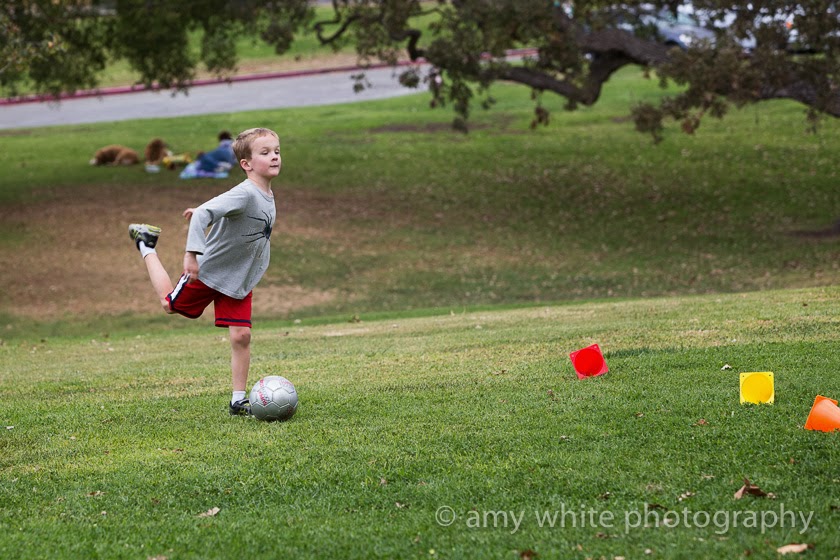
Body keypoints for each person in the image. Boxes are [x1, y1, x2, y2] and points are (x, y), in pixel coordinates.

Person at [128, 127, 281, 416]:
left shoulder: (264, 193)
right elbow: (204, 214)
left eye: (276, 151)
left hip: (239, 278)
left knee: (241, 336)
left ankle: (238, 401)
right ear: (246, 164)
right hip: (209, 272)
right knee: (169, 305)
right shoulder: (246, 192)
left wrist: (206, 209)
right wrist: (192, 254)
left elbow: (216, 209)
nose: (274, 157)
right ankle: (146, 245)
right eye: (265, 153)